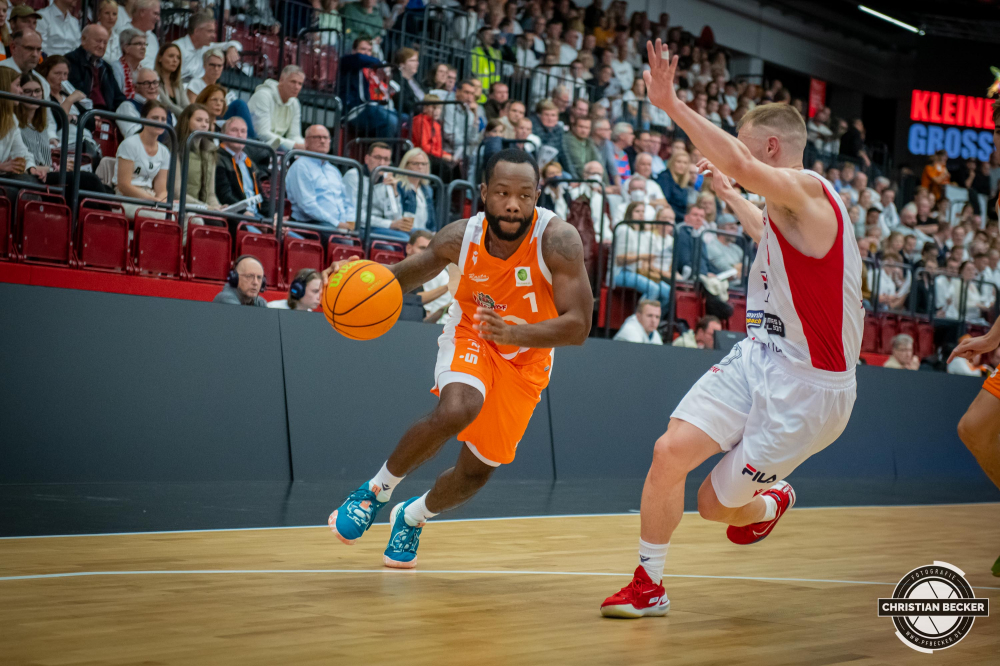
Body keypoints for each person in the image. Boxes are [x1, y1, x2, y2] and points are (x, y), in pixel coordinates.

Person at [601, 43, 863, 618]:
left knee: (713, 507)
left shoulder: (814, 192)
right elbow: (768, 229)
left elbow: (747, 170)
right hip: (759, 357)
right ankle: (649, 585)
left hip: (809, 391)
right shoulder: (786, 212)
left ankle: (768, 504)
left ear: (771, 149)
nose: (738, 159)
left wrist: (670, 104)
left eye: (745, 149)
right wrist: (731, 197)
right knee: (668, 451)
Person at [327, 149, 593, 569]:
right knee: (459, 408)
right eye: (502, 192)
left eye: (524, 195)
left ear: (537, 196)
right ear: (484, 193)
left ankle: (413, 516)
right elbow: (400, 277)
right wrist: (357, 279)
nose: (512, 203)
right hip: (474, 333)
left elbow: (578, 326)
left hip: (528, 357)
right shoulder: (460, 237)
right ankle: (374, 492)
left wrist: (516, 333)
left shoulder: (558, 241)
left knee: (475, 473)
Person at [15, 71, 107, 197]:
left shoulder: (41, 126)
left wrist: (57, 167)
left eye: (37, 91)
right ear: (19, 93)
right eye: (28, 91)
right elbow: (24, 163)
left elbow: (45, 162)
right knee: (90, 180)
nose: (34, 95)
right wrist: (53, 169)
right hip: (30, 177)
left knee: (102, 188)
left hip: (46, 174)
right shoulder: (16, 125)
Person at [286, 124, 354, 231]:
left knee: (366, 237)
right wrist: (337, 224)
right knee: (341, 241)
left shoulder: (333, 170)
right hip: (311, 224)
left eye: (326, 138)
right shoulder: (300, 166)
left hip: (338, 224)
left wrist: (350, 222)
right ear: (306, 142)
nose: (322, 141)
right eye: (317, 137)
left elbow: (346, 201)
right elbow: (307, 205)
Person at [114, 99, 170, 220]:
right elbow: (124, 185)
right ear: (143, 118)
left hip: (151, 198)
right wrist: (152, 200)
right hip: (126, 199)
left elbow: (162, 189)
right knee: (164, 217)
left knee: (191, 218)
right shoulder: (130, 144)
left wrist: (160, 201)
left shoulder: (164, 151)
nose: (160, 122)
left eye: (163, 119)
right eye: (155, 118)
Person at [612, 201, 671, 308]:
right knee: (653, 289)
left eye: (643, 211)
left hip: (637, 272)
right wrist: (642, 257)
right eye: (637, 211)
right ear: (630, 213)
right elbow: (619, 259)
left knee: (668, 292)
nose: (640, 214)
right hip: (620, 272)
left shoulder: (642, 233)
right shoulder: (623, 229)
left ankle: (655, 321)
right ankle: (640, 319)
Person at [340, 38, 400, 138]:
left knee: (403, 119)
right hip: (352, 110)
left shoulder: (369, 70)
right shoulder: (347, 61)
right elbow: (359, 58)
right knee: (391, 121)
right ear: (353, 50)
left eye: (369, 51)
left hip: (369, 108)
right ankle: (381, 152)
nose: (367, 53)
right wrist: (381, 64)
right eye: (363, 49)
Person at [215, 116, 269, 218]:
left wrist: (273, 216)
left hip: (256, 216)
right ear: (222, 134)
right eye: (234, 130)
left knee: (285, 232)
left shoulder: (249, 162)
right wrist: (244, 213)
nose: (239, 135)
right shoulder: (218, 158)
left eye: (243, 131)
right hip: (237, 217)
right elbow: (225, 195)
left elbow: (260, 195)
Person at [65, 24, 127, 112]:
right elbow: (77, 93)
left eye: (105, 43)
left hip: (107, 115)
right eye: (98, 41)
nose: (101, 46)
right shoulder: (71, 60)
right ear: (83, 39)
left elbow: (118, 97)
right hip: (85, 113)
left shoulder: (106, 67)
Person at [173, 102, 219, 213]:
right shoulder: (175, 148)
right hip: (181, 208)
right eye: (199, 120)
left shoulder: (210, 151)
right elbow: (177, 193)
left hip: (203, 208)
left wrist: (218, 207)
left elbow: (210, 194)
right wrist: (205, 207)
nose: (204, 125)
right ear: (186, 121)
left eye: (207, 121)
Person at [173, 11, 240, 84]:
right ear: (197, 31)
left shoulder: (205, 47)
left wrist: (231, 48)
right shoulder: (177, 48)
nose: (213, 36)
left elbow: (236, 44)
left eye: (214, 32)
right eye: (210, 31)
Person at [248, 65, 305, 151]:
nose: (296, 87)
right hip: (254, 144)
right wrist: (294, 145)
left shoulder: (295, 103)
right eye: (293, 82)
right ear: (281, 80)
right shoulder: (263, 96)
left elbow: (294, 136)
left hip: (276, 148)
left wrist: (307, 146)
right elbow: (262, 133)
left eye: (300, 84)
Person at [405, 229, 453, 323]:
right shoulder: (397, 274)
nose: (426, 254)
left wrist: (442, 310)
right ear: (409, 248)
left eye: (429, 250)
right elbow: (413, 300)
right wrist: (448, 286)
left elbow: (422, 323)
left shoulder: (418, 278)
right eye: (422, 248)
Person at [116, 67, 174, 139]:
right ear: (135, 87)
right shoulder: (127, 107)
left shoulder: (164, 107)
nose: (152, 87)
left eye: (155, 82)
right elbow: (135, 138)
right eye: (146, 83)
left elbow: (175, 134)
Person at [104, 0, 159, 70]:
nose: (158, 18)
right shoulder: (122, 33)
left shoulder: (153, 38)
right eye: (155, 14)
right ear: (142, 12)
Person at [109, 28, 145, 100]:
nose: (143, 48)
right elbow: (116, 96)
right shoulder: (116, 68)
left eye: (144, 44)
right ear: (126, 48)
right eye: (139, 44)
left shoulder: (143, 70)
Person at [561, 115, 600, 180]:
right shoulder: (568, 140)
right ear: (573, 127)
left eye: (587, 128)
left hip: (588, 179)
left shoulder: (589, 142)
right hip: (573, 180)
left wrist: (606, 185)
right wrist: (588, 181)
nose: (584, 130)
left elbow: (598, 162)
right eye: (581, 127)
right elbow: (577, 165)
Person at [656, 148, 691, 219]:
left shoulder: (683, 182)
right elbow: (665, 204)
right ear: (672, 162)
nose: (682, 165)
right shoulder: (665, 178)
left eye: (685, 163)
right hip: (668, 218)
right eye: (679, 162)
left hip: (680, 218)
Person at [154, 42, 187, 116]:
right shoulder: (154, 81)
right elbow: (168, 106)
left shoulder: (178, 82)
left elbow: (186, 105)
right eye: (171, 56)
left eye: (178, 57)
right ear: (160, 58)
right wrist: (188, 116)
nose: (175, 60)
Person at [392, 47, 423, 118]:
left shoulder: (416, 81)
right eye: (412, 60)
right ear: (402, 64)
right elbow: (402, 102)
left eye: (417, 60)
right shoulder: (396, 79)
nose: (417, 63)